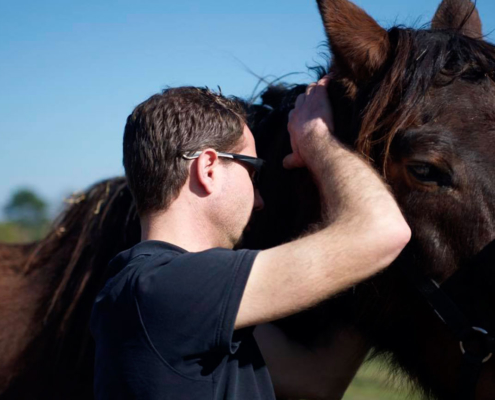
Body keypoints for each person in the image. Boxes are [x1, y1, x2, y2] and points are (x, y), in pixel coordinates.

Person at [90, 76, 411, 400]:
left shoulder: (140, 294)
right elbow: (383, 231)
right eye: (253, 171)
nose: (258, 200)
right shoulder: (171, 287)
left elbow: (317, 379)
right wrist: (317, 136)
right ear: (209, 168)